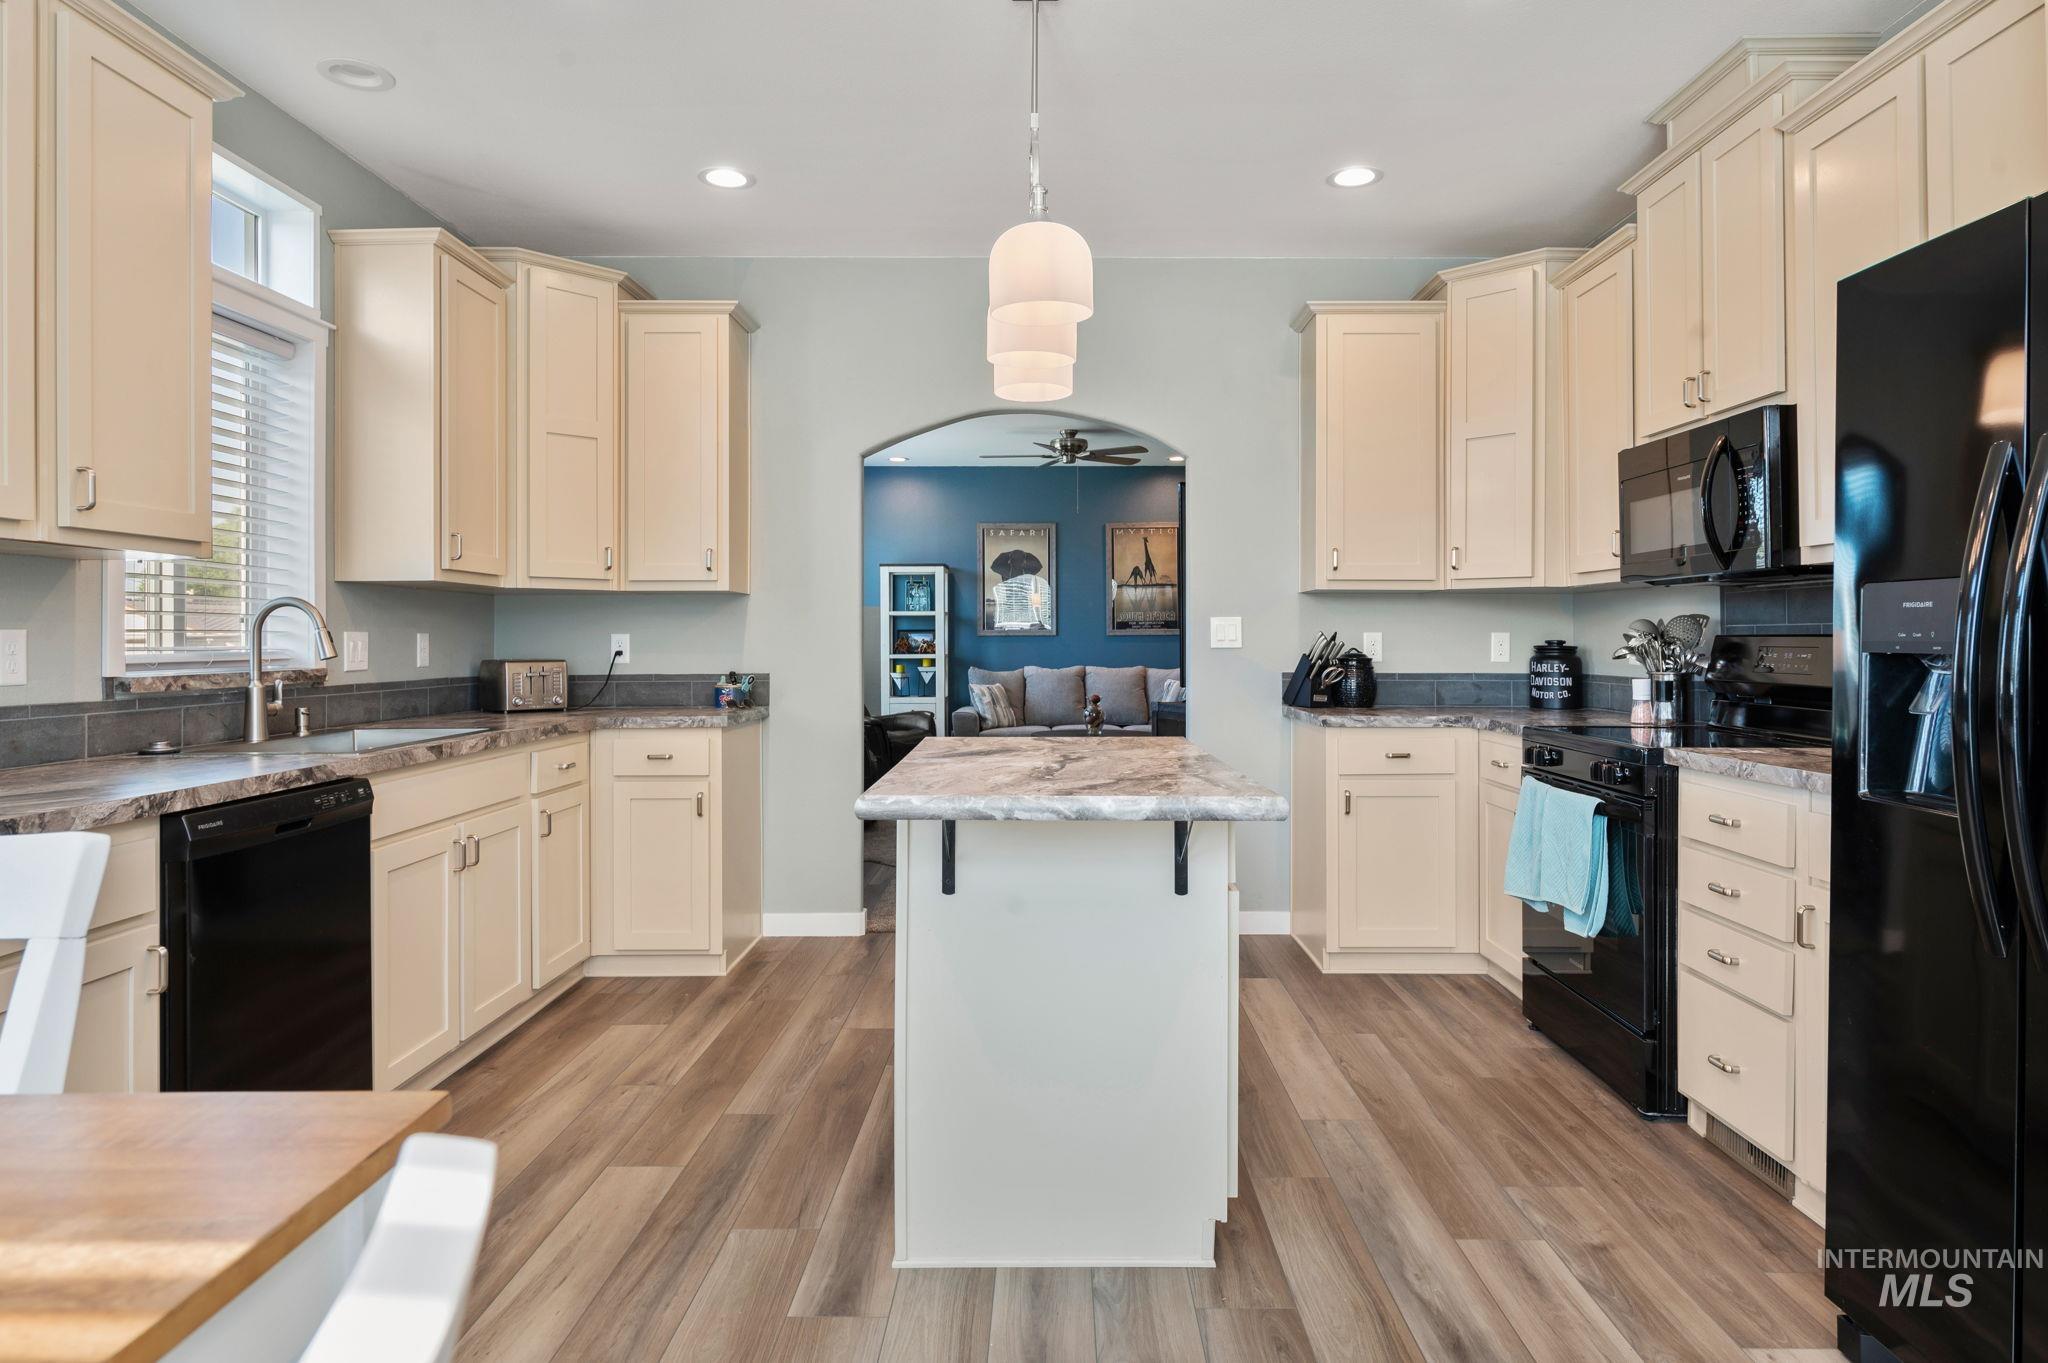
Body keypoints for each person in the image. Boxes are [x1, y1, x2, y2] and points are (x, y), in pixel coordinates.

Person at [989, 548, 1052, 631]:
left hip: (1025, 601)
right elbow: (994, 566)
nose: (1018, 562)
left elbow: (1038, 566)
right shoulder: (1008, 570)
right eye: (1016, 560)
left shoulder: (1023, 571)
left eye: (1020, 560)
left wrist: (1009, 554)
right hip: (1011, 600)